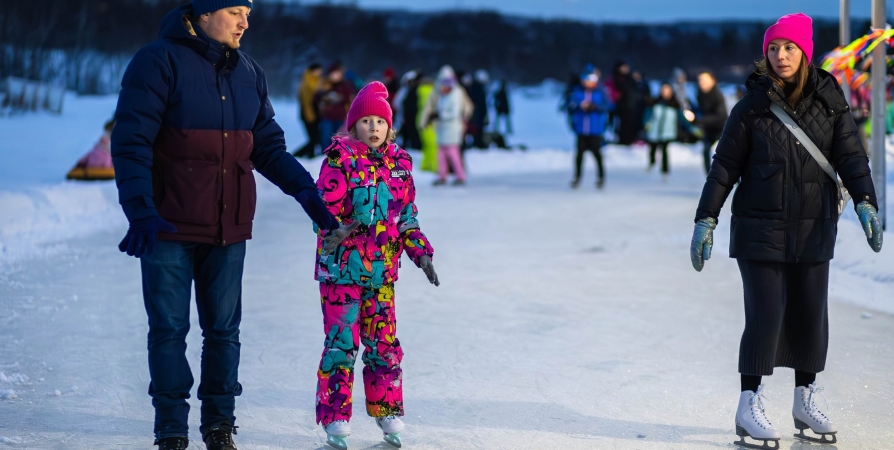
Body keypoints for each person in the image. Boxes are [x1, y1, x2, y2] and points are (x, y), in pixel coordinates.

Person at [110, 2, 342, 449]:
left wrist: (305, 190)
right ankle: (172, 429)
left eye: (248, 12)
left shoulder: (248, 72)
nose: (245, 22)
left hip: (228, 225)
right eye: (235, 10)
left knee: (223, 332)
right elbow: (131, 141)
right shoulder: (157, 62)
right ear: (201, 12)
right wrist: (140, 210)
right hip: (168, 225)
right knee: (168, 330)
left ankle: (219, 425)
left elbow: (267, 145)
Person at [690, 13, 883, 449]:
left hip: (815, 228)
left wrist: (866, 201)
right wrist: (706, 219)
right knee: (766, 315)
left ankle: (805, 398)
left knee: (810, 316)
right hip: (760, 228)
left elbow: (852, 157)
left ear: (805, 51)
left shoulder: (830, 99)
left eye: (789, 47)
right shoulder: (750, 106)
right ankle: (749, 402)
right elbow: (724, 168)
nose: (780, 56)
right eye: (774, 48)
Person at [312, 81, 440, 450]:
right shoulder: (340, 162)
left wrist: (421, 253)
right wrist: (333, 229)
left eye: (379, 121)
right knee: (341, 344)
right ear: (352, 127)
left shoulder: (400, 166)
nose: (372, 128)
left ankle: (387, 409)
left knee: (383, 344)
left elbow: (407, 219)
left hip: (382, 275)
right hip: (341, 275)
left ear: (389, 127)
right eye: (365, 121)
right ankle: (335, 416)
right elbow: (321, 209)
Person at [420, 65, 474, 186]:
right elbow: (429, 107)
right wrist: (426, 120)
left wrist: (439, 115)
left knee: (452, 152)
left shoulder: (457, 93)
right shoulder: (439, 93)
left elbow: (456, 111)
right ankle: (442, 175)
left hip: (452, 127)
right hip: (442, 128)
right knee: (441, 153)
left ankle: (460, 175)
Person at [569, 68, 613, 189]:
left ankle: (601, 178)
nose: (588, 83)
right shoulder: (577, 91)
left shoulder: (601, 91)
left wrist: (595, 106)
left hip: (595, 129)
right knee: (579, 155)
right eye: (586, 79)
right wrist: (579, 106)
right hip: (581, 129)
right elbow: (569, 105)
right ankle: (577, 178)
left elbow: (609, 106)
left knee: (597, 155)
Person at [643, 82, 699, 176]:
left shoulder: (675, 105)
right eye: (664, 90)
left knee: (665, 150)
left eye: (667, 90)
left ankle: (665, 170)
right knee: (652, 148)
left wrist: (692, 128)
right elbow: (648, 114)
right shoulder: (655, 102)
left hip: (667, 131)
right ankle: (651, 164)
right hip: (654, 130)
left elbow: (683, 118)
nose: (665, 92)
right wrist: (646, 124)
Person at [695, 71, 728, 174]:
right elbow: (700, 111)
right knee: (705, 152)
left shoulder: (717, 94)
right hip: (709, 129)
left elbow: (720, 115)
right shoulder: (700, 95)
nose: (701, 82)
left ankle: (736, 180)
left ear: (712, 81)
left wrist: (700, 120)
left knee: (726, 155)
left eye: (704, 80)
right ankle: (709, 177)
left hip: (722, 128)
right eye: (700, 80)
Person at [316, 63, 355, 151]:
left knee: (338, 138)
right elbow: (317, 97)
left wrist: (340, 98)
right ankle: (324, 155)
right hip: (327, 116)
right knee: (325, 137)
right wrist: (324, 97)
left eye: (337, 74)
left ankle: (337, 154)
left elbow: (349, 98)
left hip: (340, 117)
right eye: (333, 74)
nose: (335, 76)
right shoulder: (325, 84)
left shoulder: (345, 85)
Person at [293, 63, 323, 158]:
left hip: (314, 113)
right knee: (314, 138)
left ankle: (310, 155)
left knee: (315, 138)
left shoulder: (315, 81)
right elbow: (306, 102)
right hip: (308, 114)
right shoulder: (307, 82)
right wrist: (310, 115)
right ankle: (298, 155)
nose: (319, 73)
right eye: (318, 71)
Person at [605, 61, 637, 145]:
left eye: (626, 67)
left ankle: (628, 140)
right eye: (623, 67)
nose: (625, 69)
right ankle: (618, 140)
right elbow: (609, 91)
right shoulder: (615, 79)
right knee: (617, 124)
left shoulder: (630, 78)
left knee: (628, 124)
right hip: (618, 106)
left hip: (629, 105)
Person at [467, 69, 490, 149]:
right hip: (478, 114)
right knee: (478, 129)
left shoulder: (474, 87)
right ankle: (478, 143)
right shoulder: (478, 89)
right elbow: (481, 104)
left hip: (476, 114)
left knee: (477, 129)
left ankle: (478, 142)